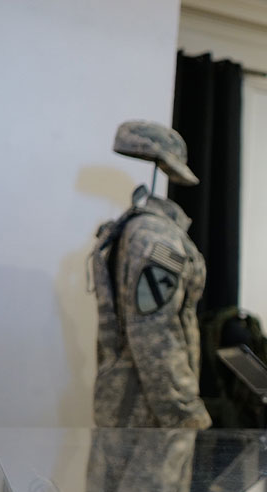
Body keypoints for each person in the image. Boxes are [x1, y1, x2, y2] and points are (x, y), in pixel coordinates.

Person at [91, 120, 211, 429]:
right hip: (150, 415)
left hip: (123, 405)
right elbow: (154, 332)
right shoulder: (157, 238)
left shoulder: (131, 229)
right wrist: (185, 413)